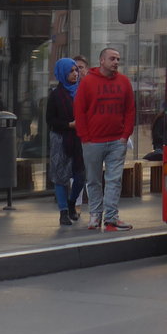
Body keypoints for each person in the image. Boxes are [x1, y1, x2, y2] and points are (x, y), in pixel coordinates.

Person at [74, 46, 136, 231]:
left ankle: (111, 217)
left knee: (114, 180)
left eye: (118, 59)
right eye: (112, 59)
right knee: (93, 180)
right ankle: (95, 216)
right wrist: (85, 137)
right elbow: (80, 110)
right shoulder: (88, 82)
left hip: (117, 140)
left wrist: (125, 135)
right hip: (93, 141)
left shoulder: (124, 82)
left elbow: (130, 110)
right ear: (102, 61)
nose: (116, 62)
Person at [46, 58, 85, 226]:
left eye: (76, 70)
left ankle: (71, 202)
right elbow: (50, 119)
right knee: (60, 177)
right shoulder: (55, 95)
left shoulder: (82, 92)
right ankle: (63, 212)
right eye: (71, 71)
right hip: (61, 138)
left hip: (80, 138)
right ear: (63, 73)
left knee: (80, 176)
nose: (75, 74)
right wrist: (69, 124)